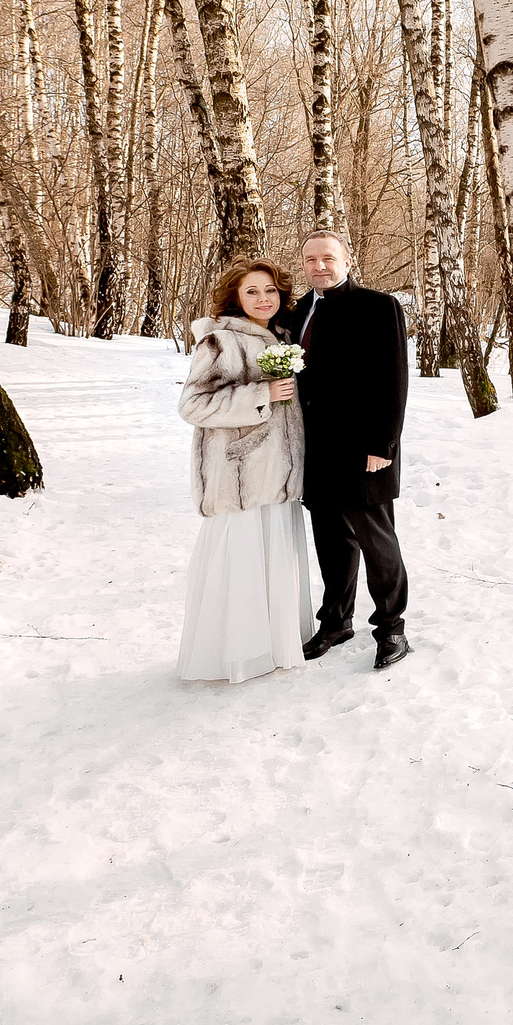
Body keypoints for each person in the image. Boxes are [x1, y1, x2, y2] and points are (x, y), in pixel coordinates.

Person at [275, 230, 412, 671]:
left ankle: (392, 628)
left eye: (328, 258)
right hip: (315, 451)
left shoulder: (378, 306)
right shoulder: (297, 312)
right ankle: (336, 621)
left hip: (363, 449)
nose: (319, 266)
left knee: (376, 542)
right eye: (311, 259)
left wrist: (382, 444)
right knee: (331, 541)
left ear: (346, 259)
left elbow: (394, 381)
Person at [175, 260, 314, 684]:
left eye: (270, 290)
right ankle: (233, 654)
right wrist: (262, 393)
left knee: (273, 557)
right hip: (241, 472)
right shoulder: (222, 341)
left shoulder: (282, 337)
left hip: (278, 473)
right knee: (241, 560)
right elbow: (192, 405)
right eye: (252, 292)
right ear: (235, 297)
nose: (263, 299)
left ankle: (273, 643)